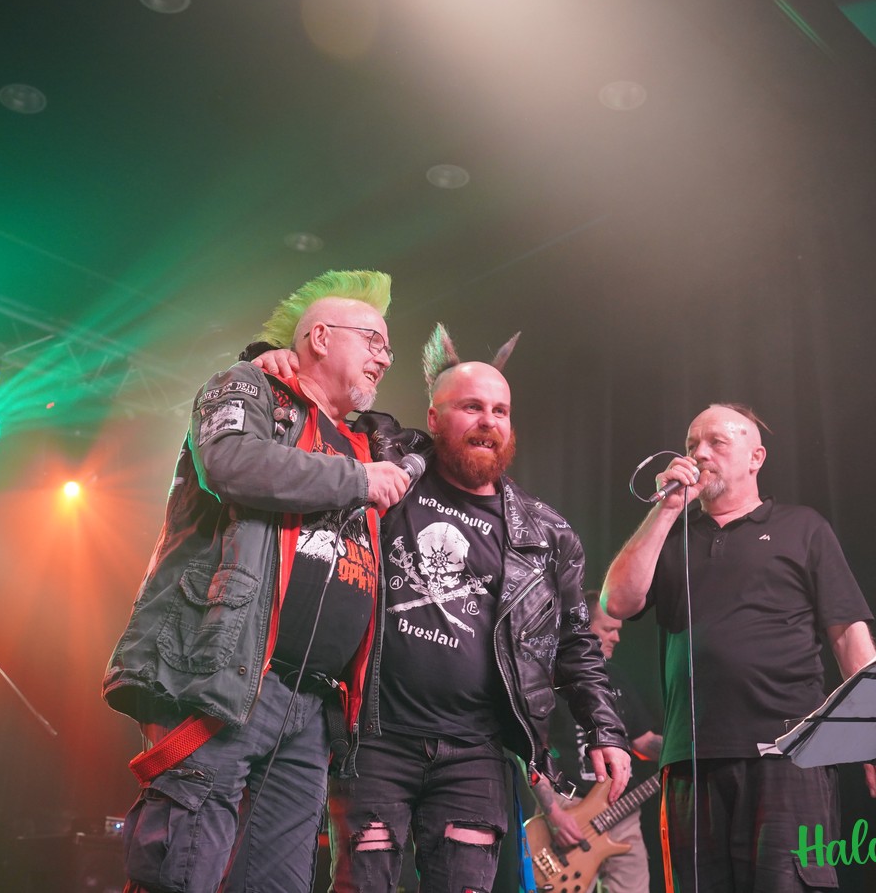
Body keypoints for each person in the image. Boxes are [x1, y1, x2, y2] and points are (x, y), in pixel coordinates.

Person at [254, 324, 632, 893]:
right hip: (374, 737)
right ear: (433, 418)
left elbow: (576, 644)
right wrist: (273, 361)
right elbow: (317, 408)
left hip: (475, 754)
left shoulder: (546, 534)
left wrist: (605, 728)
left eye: (500, 411)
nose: (488, 421)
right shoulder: (385, 460)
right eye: (471, 407)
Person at [101, 270, 414, 893]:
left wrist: (370, 466)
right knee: (182, 869)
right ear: (319, 337)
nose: (384, 357)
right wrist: (358, 481)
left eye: (388, 348)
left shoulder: (367, 440)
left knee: (279, 883)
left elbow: (432, 450)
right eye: (373, 340)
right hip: (230, 681)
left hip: (313, 705)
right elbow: (230, 462)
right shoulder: (249, 388)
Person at [601, 403, 876, 893]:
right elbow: (616, 601)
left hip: (789, 756)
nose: (700, 454)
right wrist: (666, 509)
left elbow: (848, 637)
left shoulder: (802, 528)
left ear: (755, 458)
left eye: (716, 442)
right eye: (692, 445)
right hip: (691, 762)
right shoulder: (671, 535)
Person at [532, 590, 663, 893]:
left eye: (618, 630)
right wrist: (554, 814)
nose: (617, 637)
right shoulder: (548, 682)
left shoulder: (617, 678)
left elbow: (643, 742)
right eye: (608, 629)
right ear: (582, 628)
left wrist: (686, 747)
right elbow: (533, 752)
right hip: (568, 809)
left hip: (622, 812)